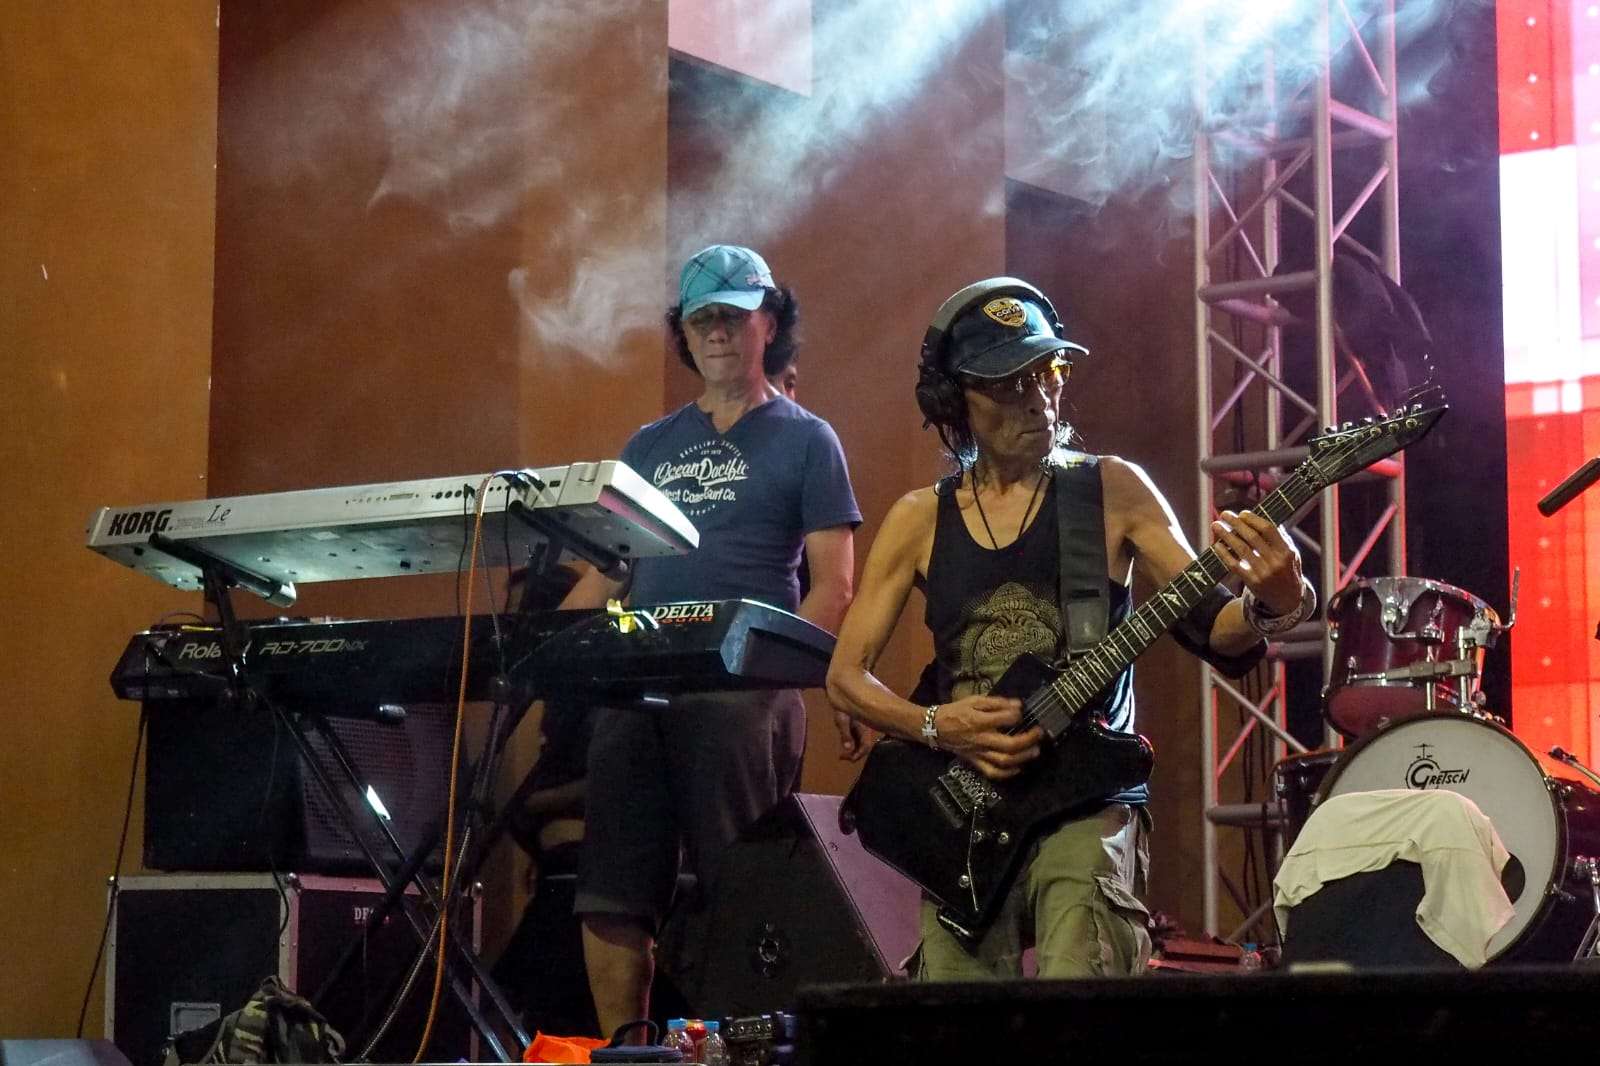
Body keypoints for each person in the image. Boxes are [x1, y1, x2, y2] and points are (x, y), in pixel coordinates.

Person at [825, 277, 1314, 979]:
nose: (1037, 398)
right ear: (954, 400)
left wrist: (1276, 598)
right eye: (1008, 384)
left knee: (1077, 995)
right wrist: (935, 725)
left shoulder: (1114, 489)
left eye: (1046, 373)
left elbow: (1218, 630)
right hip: (966, 813)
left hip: (1087, 796)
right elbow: (845, 676)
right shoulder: (919, 517)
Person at [558, 244, 861, 1034]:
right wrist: (537, 646)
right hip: (639, 690)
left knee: (740, 887)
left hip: (743, 694)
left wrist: (778, 673)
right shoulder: (648, 446)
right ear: (685, 336)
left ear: (770, 324)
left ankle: (742, 1047)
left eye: (733, 315)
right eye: (702, 320)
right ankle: (626, 1052)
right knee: (611, 891)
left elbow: (834, 585)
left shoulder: (807, 439)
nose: (718, 331)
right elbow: (610, 574)